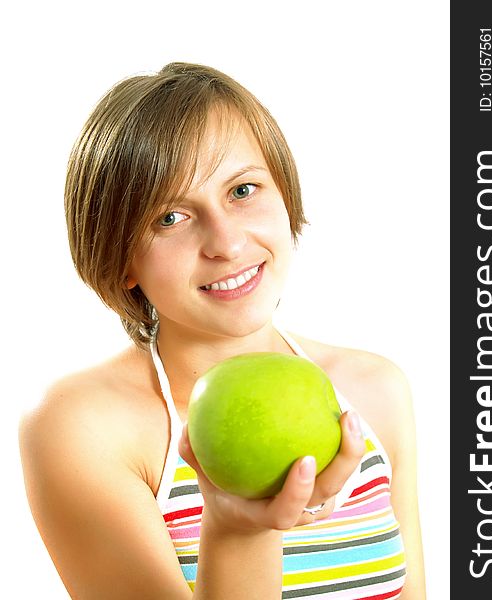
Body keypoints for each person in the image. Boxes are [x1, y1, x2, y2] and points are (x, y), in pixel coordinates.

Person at [19, 62, 426, 599]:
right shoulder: (86, 426)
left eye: (243, 190)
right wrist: (239, 531)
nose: (226, 243)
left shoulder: (374, 390)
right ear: (121, 260)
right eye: (169, 217)